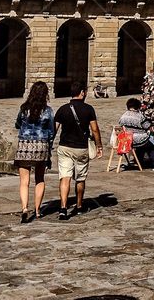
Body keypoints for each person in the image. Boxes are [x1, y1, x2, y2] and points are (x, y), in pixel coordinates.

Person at [52, 81, 103, 220]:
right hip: (81, 148)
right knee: (80, 178)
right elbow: (95, 129)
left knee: (65, 177)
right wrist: (99, 145)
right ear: (82, 93)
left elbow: (54, 130)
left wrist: (49, 145)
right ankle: (79, 206)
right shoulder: (88, 109)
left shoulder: (62, 109)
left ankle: (63, 208)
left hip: (65, 148)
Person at [14, 81, 54, 223]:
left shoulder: (24, 108)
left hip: (24, 146)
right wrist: (49, 148)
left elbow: (17, 124)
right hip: (41, 146)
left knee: (24, 181)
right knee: (40, 179)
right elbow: (51, 131)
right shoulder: (48, 111)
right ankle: (37, 210)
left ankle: (25, 208)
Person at [118, 98, 154, 169]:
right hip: (139, 138)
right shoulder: (139, 116)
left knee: (141, 147)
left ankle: (140, 162)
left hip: (128, 140)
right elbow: (147, 126)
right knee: (151, 145)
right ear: (138, 106)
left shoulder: (123, 116)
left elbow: (120, 124)